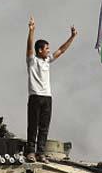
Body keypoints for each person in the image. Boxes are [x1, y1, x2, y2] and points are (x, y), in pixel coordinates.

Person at [25, 16, 77, 163]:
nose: (49, 51)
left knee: (44, 127)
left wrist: (72, 37)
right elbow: (29, 47)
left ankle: (40, 153)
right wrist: (31, 31)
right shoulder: (32, 61)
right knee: (33, 126)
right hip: (35, 96)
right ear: (40, 50)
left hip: (47, 97)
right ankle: (30, 152)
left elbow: (61, 50)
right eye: (46, 48)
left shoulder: (47, 61)